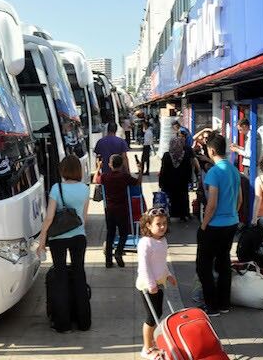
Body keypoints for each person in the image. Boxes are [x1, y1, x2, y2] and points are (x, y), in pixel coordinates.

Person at [37, 154, 91, 332]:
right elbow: (84, 217)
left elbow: (50, 217)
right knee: (79, 275)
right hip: (78, 236)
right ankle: (84, 322)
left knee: (60, 277)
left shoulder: (56, 188)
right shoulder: (84, 188)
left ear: (63, 170)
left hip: (58, 238)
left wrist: (42, 239)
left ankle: (63, 324)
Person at [198, 134, 242, 316]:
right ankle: (224, 304)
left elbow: (212, 203)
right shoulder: (233, 170)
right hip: (231, 223)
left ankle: (211, 306)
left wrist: (203, 225)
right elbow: (240, 200)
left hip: (214, 226)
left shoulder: (214, 172)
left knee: (204, 265)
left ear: (212, 150)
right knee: (224, 263)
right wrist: (231, 214)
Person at [136, 207, 177, 360]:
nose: (162, 227)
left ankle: (152, 342)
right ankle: (146, 348)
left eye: (164, 223)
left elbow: (161, 262)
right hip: (148, 286)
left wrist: (169, 275)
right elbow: (144, 266)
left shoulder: (162, 240)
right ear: (148, 225)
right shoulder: (145, 243)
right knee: (151, 317)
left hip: (159, 282)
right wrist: (151, 283)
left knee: (158, 313)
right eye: (158, 224)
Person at [101, 154, 143, 267]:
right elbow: (137, 182)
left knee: (110, 234)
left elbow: (97, 179)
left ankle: (108, 261)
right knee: (123, 233)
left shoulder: (105, 176)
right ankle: (119, 252)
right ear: (122, 165)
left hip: (110, 209)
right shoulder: (124, 176)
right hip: (122, 209)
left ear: (110, 164)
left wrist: (98, 167)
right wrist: (140, 171)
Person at [159, 136, 196, 221]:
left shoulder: (167, 155)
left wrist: (161, 182)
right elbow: (189, 169)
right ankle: (183, 215)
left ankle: (169, 215)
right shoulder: (185, 155)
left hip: (169, 183)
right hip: (182, 183)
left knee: (170, 199)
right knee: (182, 198)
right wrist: (189, 180)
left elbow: (163, 170)